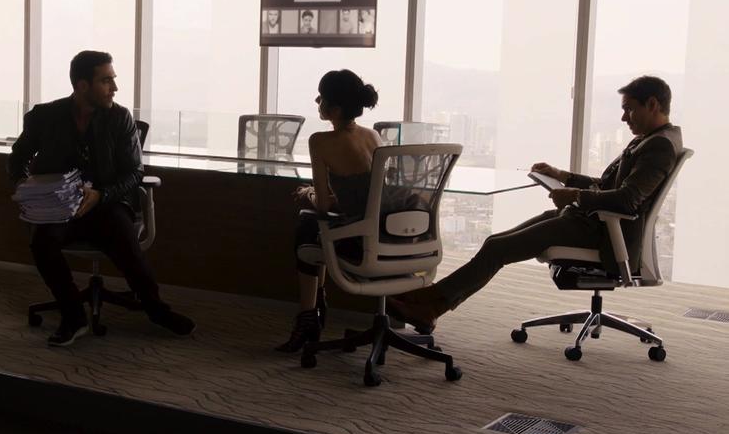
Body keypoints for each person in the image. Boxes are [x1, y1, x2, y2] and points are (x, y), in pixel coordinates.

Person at [386, 76, 683, 332]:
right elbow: (608, 185)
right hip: (589, 221)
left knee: (497, 249)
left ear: (653, 104)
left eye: (629, 109)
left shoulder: (657, 147)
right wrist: (562, 176)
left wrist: (575, 196)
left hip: (602, 232)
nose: (623, 118)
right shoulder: (651, 139)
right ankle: (428, 301)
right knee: (495, 241)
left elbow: (628, 200)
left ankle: (430, 306)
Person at [9, 50, 195, 347]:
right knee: (41, 243)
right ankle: (73, 315)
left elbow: (135, 172)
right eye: (106, 80)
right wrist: (23, 187)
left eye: (113, 80)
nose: (114, 88)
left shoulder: (119, 118)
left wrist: (101, 194)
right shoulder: (46, 116)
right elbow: (18, 157)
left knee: (125, 240)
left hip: (106, 203)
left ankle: (156, 310)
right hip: (61, 206)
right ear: (82, 85)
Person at [276, 69, 382, 352]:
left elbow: (322, 205)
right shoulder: (373, 136)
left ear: (334, 108)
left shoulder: (320, 141)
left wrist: (308, 192)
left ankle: (308, 315)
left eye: (320, 97)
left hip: (360, 242)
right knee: (312, 226)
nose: (316, 100)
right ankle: (314, 310)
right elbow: (367, 195)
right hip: (386, 235)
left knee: (307, 225)